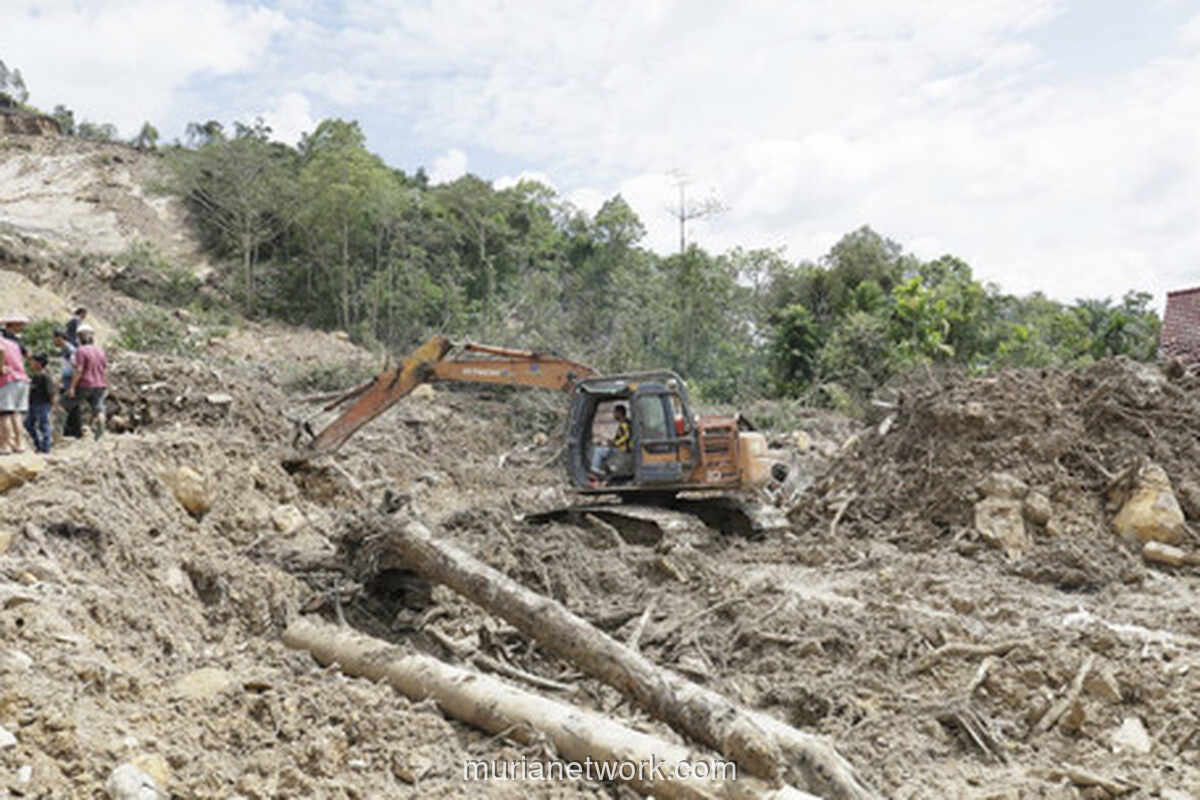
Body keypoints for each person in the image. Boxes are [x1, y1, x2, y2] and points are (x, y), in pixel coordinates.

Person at [68, 324, 107, 440]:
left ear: (79, 338)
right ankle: (100, 432)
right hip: (100, 383)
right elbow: (105, 367)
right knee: (98, 408)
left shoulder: (81, 351)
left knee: (66, 404)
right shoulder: (100, 351)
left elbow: (79, 370)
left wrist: (72, 387)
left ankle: (67, 433)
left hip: (85, 383)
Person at [0, 330, 30, 453]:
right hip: (22, 379)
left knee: (4, 414)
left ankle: (5, 446)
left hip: (8, 380)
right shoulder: (13, 343)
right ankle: (19, 444)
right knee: (16, 414)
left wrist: (1, 367)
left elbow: (0, 350)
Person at [589, 404, 634, 479]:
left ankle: (595, 471)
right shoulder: (625, 423)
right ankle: (605, 471)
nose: (614, 414)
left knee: (598, 451)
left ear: (619, 413)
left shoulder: (624, 424)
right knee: (603, 448)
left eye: (615, 412)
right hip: (621, 448)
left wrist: (615, 443)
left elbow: (626, 437)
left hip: (622, 450)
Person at [53, 329, 82, 438]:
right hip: (67, 381)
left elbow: (76, 368)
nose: (53, 341)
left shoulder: (70, 350)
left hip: (71, 382)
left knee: (71, 406)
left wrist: (72, 386)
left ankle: (75, 432)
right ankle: (70, 432)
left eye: (54, 338)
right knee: (70, 407)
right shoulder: (65, 350)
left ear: (59, 338)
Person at [24, 354, 54, 454]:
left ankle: (45, 448)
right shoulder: (36, 376)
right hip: (33, 404)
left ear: (39, 363)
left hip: (42, 404)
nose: (31, 363)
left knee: (43, 425)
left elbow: (51, 392)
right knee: (28, 424)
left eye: (33, 361)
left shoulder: (45, 376)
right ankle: (38, 445)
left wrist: (52, 405)